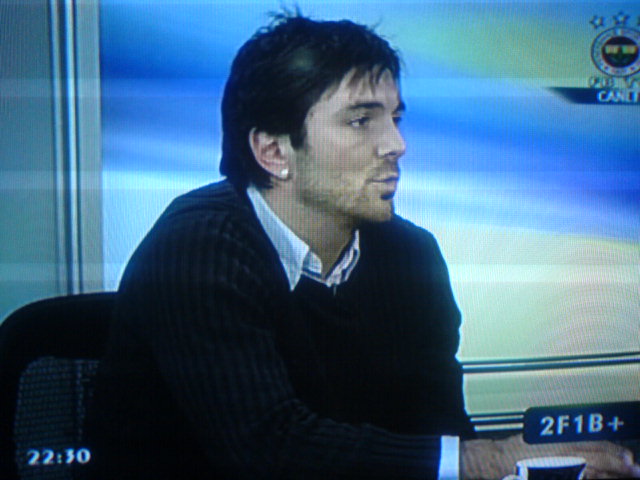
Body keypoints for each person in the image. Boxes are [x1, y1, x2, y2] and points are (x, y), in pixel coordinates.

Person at [86, 13, 640, 479]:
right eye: (360, 121)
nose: (396, 145)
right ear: (274, 152)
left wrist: (529, 470)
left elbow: (438, 432)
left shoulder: (410, 255)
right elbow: (267, 449)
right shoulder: (196, 249)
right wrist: (487, 460)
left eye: (394, 119)